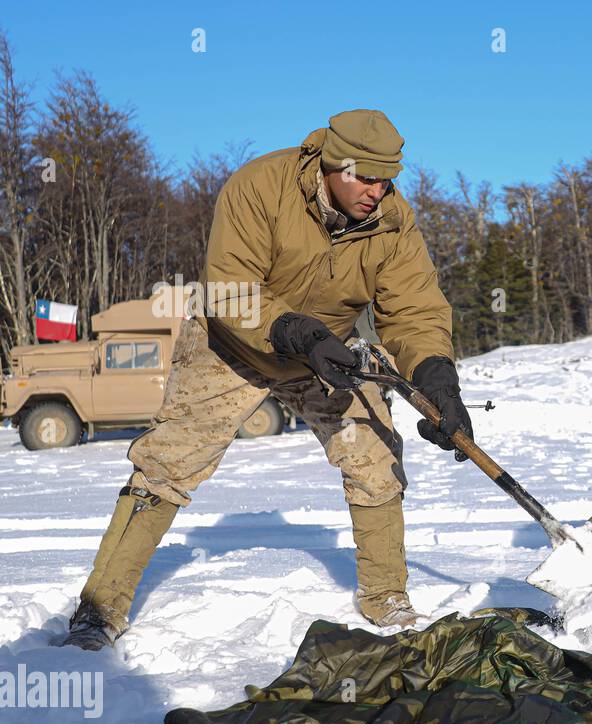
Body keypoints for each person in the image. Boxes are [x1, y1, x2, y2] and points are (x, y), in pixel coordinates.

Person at [58, 109, 472, 651]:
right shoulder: (259, 186)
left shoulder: (392, 221)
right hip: (232, 343)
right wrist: (299, 334)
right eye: (365, 177)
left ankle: (386, 597)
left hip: (325, 354)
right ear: (333, 164)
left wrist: (438, 379)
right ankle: (99, 610)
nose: (377, 190)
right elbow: (230, 289)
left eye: (386, 179)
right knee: (166, 465)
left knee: (375, 457)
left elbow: (415, 312)